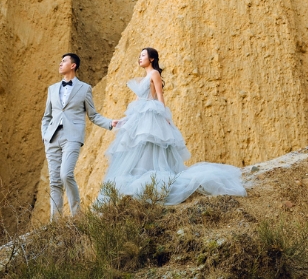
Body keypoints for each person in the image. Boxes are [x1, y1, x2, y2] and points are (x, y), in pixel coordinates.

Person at [103, 47, 245, 205]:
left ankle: (151, 182)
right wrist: (124, 121)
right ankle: (140, 182)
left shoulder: (154, 74)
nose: (140, 58)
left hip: (151, 116)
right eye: (139, 55)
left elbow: (159, 95)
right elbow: (137, 102)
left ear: (151, 59)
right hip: (140, 116)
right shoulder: (143, 78)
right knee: (138, 147)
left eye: (143, 55)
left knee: (150, 145)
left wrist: (163, 116)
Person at [40, 53, 115, 218]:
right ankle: (56, 223)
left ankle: (77, 216)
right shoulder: (52, 89)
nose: (60, 64)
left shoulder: (85, 88)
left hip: (72, 137)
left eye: (64, 61)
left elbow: (93, 115)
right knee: (54, 182)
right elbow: (46, 116)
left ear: (73, 65)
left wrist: (110, 123)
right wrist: (45, 135)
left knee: (65, 174)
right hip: (52, 138)